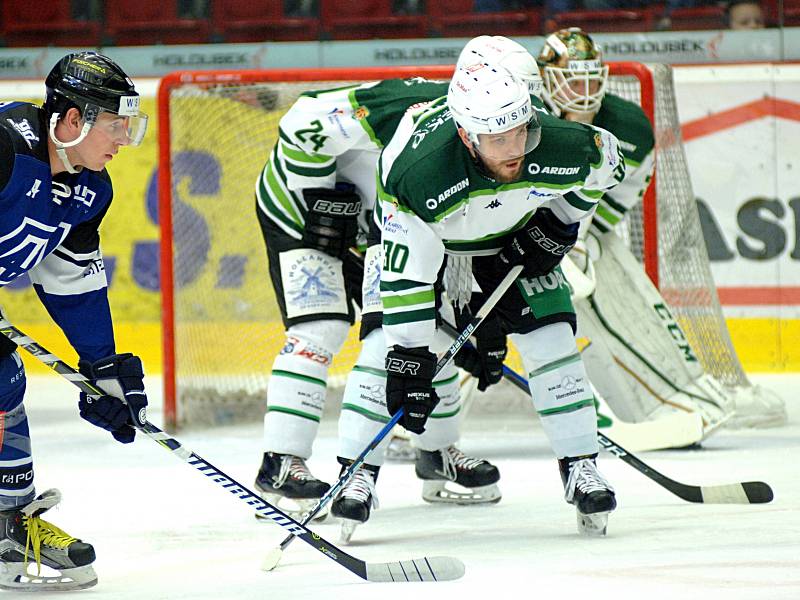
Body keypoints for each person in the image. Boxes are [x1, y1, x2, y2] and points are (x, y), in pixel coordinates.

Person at [338, 56, 626, 539]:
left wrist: (557, 224)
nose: (515, 150)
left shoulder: (561, 143)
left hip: (512, 245)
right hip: (427, 249)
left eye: (520, 132)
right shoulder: (420, 172)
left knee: (553, 337)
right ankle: (357, 474)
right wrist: (410, 354)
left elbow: (605, 170)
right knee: (385, 352)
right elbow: (410, 274)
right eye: (498, 140)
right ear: (467, 135)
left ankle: (581, 467)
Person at [536, 27, 785, 436]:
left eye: (589, 79)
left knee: (613, 297)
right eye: (572, 80)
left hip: (577, 229)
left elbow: (629, 186)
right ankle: (424, 425)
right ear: (547, 80)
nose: (582, 91)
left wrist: (583, 237)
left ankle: (680, 399)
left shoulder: (628, 128)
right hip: (504, 234)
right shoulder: (525, 119)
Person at [252, 75, 453, 522]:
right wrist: (322, 200)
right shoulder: (407, 105)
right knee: (320, 327)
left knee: (424, 324)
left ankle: (436, 450)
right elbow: (304, 120)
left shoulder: (492, 141)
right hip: (302, 212)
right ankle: (280, 461)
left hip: (381, 220)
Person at [0, 52, 149, 591]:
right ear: (70, 121)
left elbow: (72, 284)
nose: (123, 139)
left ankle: (8, 527)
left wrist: (101, 369)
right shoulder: (4, 147)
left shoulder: (90, 190)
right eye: (114, 125)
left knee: (5, 381)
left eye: (127, 125)